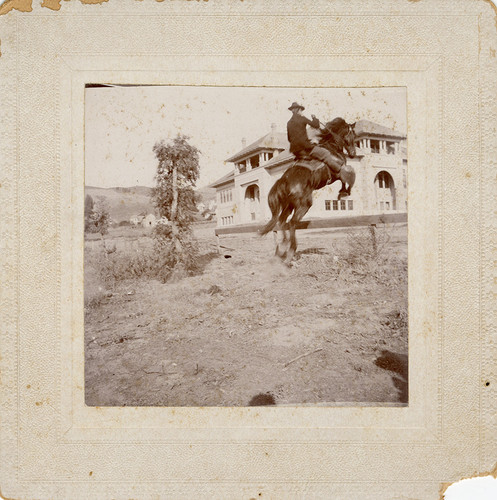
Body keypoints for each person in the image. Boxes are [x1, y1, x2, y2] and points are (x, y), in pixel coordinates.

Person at [286, 102, 344, 176]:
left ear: (292, 110)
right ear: (299, 110)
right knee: (325, 153)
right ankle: (339, 170)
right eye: (301, 110)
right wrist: (314, 118)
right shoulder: (302, 118)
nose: (301, 112)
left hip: (295, 151)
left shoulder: (289, 123)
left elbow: (289, 139)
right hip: (305, 148)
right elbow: (316, 125)